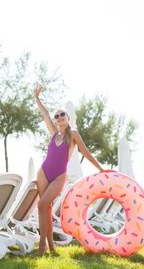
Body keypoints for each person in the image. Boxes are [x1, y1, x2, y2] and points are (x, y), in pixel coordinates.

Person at [34, 85, 105, 255]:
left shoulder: (73, 134)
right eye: (56, 116)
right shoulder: (53, 134)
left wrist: (101, 169)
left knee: (42, 204)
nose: (59, 117)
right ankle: (51, 247)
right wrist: (37, 98)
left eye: (62, 115)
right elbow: (44, 114)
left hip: (59, 176)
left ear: (67, 117)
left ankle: (41, 246)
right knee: (46, 208)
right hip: (43, 172)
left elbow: (86, 153)